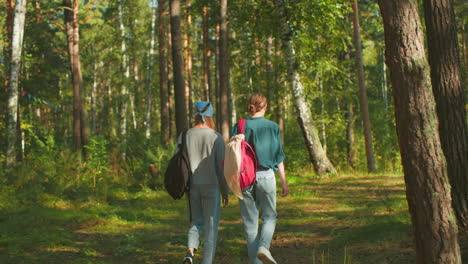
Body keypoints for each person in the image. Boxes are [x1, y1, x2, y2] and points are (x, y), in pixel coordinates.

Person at [231, 93, 288, 264]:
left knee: (250, 223)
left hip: (244, 178)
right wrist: (284, 181)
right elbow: (279, 157)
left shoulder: (240, 125)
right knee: (270, 216)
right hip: (266, 176)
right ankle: (264, 246)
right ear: (265, 106)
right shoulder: (272, 127)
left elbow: (233, 153)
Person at [182, 101, 229, 264]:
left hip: (192, 186)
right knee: (211, 226)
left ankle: (190, 251)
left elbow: (178, 161)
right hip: (212, 185)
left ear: (195, 115)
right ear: (210, 116)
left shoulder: (186, 134)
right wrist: (225, 191)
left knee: (195, 221)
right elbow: (221, 167)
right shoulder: (215, 136)